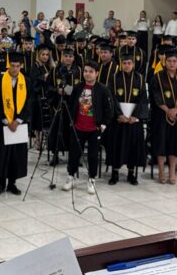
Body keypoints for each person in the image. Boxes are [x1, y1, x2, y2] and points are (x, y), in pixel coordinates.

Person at [61, 61, 113, 194]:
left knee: (92, 156)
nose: (87, 74)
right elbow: (72, 103)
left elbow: (109, 109)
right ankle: (71, 176)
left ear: (96, 73)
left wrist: (103, 125)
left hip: (94, 129)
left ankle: (91, 179)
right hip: (78, 127)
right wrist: (72, 121)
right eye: (85, 71)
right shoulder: (78, 87)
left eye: (91, 71)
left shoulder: (103, 89)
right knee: (74, 153)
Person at [0, 52, 31, 196]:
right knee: (1, 154)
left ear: (21, 66)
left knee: (16, 154)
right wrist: (5, 120)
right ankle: (0, 184)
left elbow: (29, 102)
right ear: (8, 66)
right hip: (3, 124)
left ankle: (12, 183)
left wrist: (18, 120)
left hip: (19, 125)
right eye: (12, 66)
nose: (15, 69)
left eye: (17, 66)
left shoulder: (26, 81)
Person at [106, 51, 146, 186]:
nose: (127, 65)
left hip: (133, 120)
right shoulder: (114, 78)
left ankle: (131, 173)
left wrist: (135, 116)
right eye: (124, 63)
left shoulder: (140, 78)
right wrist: (119, 115)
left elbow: (142, 99)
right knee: (116, 145)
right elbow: (111, 97)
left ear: (133, 64)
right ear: (121, 64)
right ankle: (115, 173)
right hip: (119, 120)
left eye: (129, 63)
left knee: (133, 146)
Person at [149, 46, 177, 184]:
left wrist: (176, 110)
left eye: (174, 61)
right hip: (161, 116)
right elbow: (156, 95)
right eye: (169, 61)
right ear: (165, 62)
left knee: (174, 144)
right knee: (161, 143)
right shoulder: (157, 77)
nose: (171, 63)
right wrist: (167, 110)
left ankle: (172, 172)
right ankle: (161, 171)